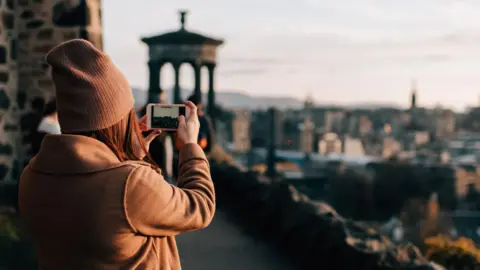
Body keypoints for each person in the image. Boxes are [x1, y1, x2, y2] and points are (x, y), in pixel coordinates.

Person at [18, 39, 215, 269]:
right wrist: (190, 146)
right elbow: (200, 206)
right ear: (113, 119)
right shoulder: (130, 184)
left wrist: (129, 155)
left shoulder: (32, 176)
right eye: (127, 112)